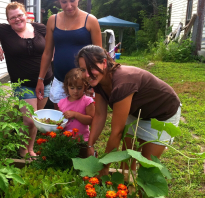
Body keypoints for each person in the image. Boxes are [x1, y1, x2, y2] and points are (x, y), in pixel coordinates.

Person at [77, 45, 181, 176]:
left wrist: (104, 166)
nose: (87, 75)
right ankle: (127, 191)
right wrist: (90, 145)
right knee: (126, 162)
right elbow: (99, 115)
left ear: (104, 63)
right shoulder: (98, 81)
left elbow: (116, 132)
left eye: (91, 67)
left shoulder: (122, 83)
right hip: (137, 112)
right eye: (82, 69)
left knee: (147, 168)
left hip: (162, 112)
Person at [0, 2, 53, 158]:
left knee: (36, 119)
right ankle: (23, 151)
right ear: (8, 20)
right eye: (12, 18)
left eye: (19, 15)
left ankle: (30, 149)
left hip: (45, 81)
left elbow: (52, 43)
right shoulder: (4, 31)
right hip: (23, 84)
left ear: (25, 15)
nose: (17, 19)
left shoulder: (40, 28)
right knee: (29, 120)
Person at [35, 0, 102, 110]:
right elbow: (47, 52)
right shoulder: (53, 20)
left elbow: (99, 55)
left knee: (81, 121)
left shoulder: (90, 20)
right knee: (59, 120)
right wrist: (40, 79)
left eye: (72, 0)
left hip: (84, 82)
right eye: (64, 2)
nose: (69, 6)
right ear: (58, 0)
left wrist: (94, 81)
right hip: (60, 80)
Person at [58, 68, 95, 141]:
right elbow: (59, 121)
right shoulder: (61, 103)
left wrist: (75, 115)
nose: (75, 91)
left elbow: (91, 121)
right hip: (65, 139)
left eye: (79, 88)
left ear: (85, 87)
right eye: (72, 88)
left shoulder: (87, 101)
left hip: (82, 139)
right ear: (67, 87)